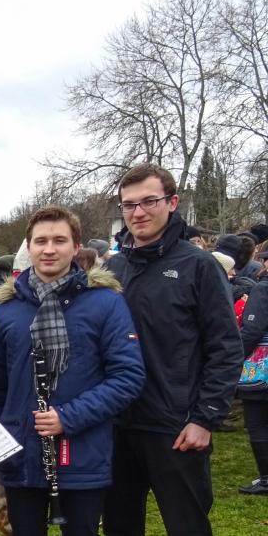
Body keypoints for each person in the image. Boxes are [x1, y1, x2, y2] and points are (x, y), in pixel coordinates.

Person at [101, 165, 243, 536]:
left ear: (172, 202)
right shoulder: (113, 269)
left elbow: (226, 347)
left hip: (176, 427)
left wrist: (205, 418)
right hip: (117, 424)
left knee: (187, 526)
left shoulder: (198, 266)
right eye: (128, 205)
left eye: (149, 201)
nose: (138, 212)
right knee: (118, 525)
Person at [0, 206, 145, 536]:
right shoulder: (6, 309)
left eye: (59, 240)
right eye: (40, 241)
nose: (48, 249)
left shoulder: (105, 302)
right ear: (28, 247)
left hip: (82, 450)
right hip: (22, 456)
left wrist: (68, 417)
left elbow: (127, 377)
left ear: (76, 247)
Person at [236, 270, 268, 495]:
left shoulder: (263, 289)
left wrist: (234, 358)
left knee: (257, 421)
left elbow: (253, 329)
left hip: (262, 366)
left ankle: (267, 478)